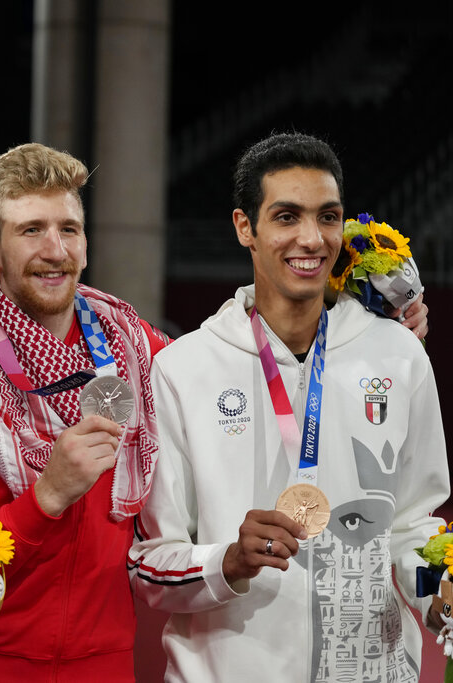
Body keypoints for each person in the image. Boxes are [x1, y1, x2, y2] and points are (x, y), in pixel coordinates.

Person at [129, 132, 449, 682]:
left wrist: (439, 599)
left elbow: (412, 527)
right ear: (245, 228)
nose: (311, 239)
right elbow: (152, 563)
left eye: (327, 217)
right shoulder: (184, 369)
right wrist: (226, 561)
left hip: (371, 670)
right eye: (286, 217)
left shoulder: (398, 355)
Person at [0, 142, 171, 680]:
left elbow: (233, 374)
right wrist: (47, 495)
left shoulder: (140, 349)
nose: (55, 250)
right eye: (31, 230)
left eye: (68, 229)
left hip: (110, 665)